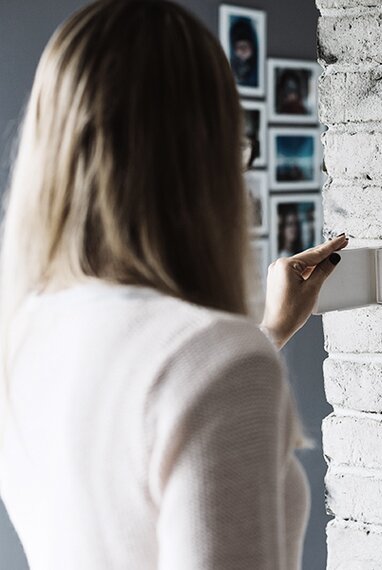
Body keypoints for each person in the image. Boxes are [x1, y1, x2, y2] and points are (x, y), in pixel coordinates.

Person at [0, 1, 346, 569]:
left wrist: (268, 333)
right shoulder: (221, 363)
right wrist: (244, 351)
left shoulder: (27, 329)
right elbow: (191, 383)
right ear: (200, 160)